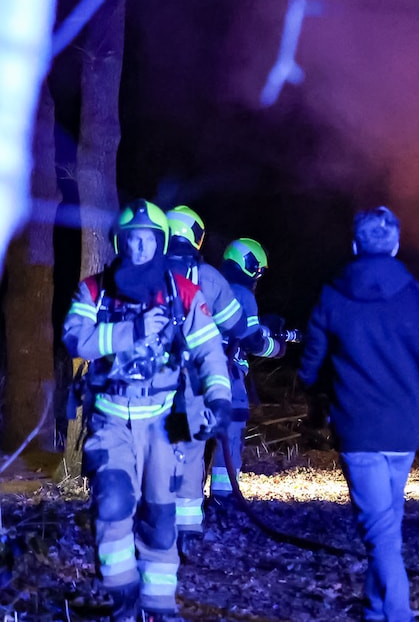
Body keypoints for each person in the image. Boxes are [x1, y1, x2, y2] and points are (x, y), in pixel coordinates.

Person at [63, 200, 233, 621]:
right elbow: (75, 339)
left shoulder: (182, 293)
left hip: (161, 423)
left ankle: (158, 605)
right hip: (111, 420)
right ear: (119, 243)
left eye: (147, 240)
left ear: (160, 243)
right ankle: (122, 598)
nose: (138, 248)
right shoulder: (94, 290)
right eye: (131, 240)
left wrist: (219, 400)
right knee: (113, 504)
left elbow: (210, 352)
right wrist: (132, 330)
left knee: (160, 518)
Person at [298, 206, 419, 622]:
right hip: (404, 429)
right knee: (387, 523)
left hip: (358, 428)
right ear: (396, 246)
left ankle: (397, 612)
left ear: (355, 246)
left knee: (380, 531)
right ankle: (376, 610)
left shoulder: (332, 297)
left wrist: (318, 397)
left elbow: (310, 365)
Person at [163, 206, 246, 555]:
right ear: (197, 236)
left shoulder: (144, 271)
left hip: (149, 384)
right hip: (193, 385)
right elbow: (238, 325)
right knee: (191, 450)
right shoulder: (208, 278)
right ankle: (188, 530)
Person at [210, 237, 285, 504]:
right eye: (259, 270)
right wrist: (278, 347)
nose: (258, 277)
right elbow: (252, 342)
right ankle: (224, 496)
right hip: (228, 375)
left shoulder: (210, 285)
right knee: (231, 433)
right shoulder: (243, 294)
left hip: (198, 373)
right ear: (250, 265)